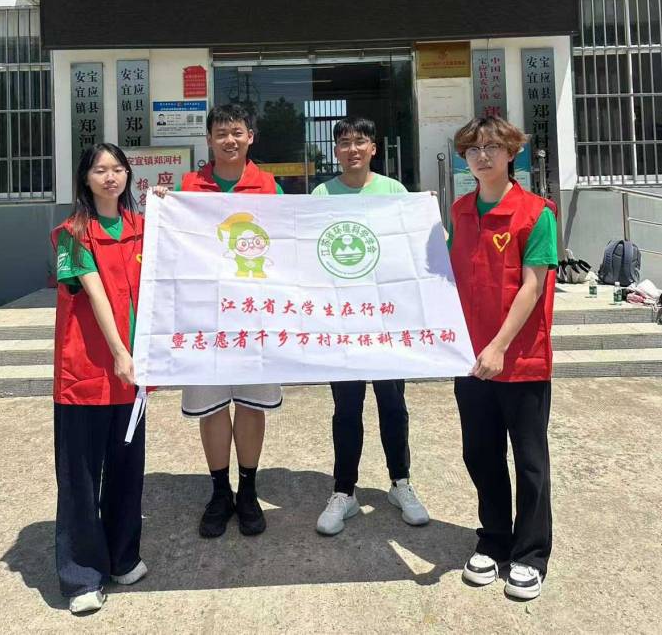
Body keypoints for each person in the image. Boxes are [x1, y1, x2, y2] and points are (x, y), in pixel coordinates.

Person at [448, 116, 557, 602]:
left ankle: (531, 553)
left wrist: (498, 346)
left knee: (530, 461)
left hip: (520, 360)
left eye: (493, 147)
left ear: (513, 153)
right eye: (473, 149)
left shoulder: (536, 213)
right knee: (480, 453)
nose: (482, 156)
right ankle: (493, 540)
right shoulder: (459, 211)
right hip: (470, 360)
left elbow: (532, 287)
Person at [311, 116, 429, 535]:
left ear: (374, 148)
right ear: (336, 150)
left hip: (386, 320)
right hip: (343, 321)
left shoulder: (394, 191)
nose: (353, 149)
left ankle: (401, 483)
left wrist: (427, 214)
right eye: (344, 142)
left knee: (392, 403)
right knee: (346, 407)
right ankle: (344, 492)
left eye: (360, 141)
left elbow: (412, 248)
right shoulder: (322, 194)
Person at [176, 104, 283, 539]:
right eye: (221, 133)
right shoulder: (188, 188)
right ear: (208, 140)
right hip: (204, 317)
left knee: (252, 404)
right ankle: (220, 492)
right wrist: (163, 206)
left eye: (237, 132)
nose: (229, 140)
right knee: (213, 406)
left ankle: (249, 491)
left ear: (250, 136)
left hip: (255, 316)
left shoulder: (270, 187)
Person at [51, 143, 148, 615]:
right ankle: (82, 577)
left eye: (118, 168)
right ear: (85, 179)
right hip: (87, 374)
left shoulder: (142, 229)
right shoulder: (72, 234)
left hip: (132, 374)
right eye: (99, 170)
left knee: (127, 470)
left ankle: (123, 557)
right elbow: (95, 296)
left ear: (128, 175)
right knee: (81, 478)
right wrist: (120, 352)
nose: (110, 177)